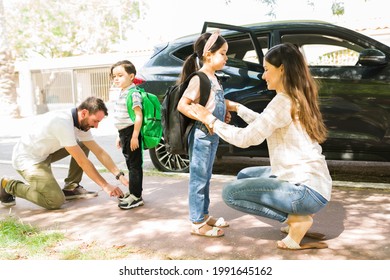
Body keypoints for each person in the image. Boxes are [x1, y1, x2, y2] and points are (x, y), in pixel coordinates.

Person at [190, 43, 332, 249]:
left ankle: (297, 219)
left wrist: (211, 120)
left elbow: (246, 138)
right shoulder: (294, 97)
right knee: (245, 175)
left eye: (266, 70)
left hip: (305, 192)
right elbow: (266, 124)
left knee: (230, 193)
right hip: (315, 185)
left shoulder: (283, 101)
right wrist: (238, 107)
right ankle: (298, 215)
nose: (263, 76)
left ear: (282, 69)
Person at [0, 97, 126, 209]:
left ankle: (71, 187)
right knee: (54, 201)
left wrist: (119, 175)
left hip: (45, 154)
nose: (96, 126)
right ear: (84, 113)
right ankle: (8, 185)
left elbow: (99, 152)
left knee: (82, 144)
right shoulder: (63, 122)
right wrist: (105, 185)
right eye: (95, 121)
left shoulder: (81, 123)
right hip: (28, 161)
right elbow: (83, 162)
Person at [177, 30, 235, 237]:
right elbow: (183, 105)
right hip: (202, 135)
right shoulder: (199, 78)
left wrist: (223, 114)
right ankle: (197, 222)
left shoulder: (215, 78)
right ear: (208, 54)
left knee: (206, 176)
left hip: (213, 134)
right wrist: (204, 118)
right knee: (198, 178)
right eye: (223, 52)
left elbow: (213, 103)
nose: (226, 57)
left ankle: (203, 214)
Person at [110, 60, 144, 210]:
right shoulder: (122, 92)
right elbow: (123, 116)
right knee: (130, 164)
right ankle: (134, 194)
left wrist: (135, 136)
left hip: (131, 132)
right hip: (125, 132)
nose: (116, 78)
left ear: (131, 76)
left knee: (134, 165)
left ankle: (136, 196)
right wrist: (119, 135)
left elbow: (138, 115)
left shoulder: (133, 93)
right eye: (114, 76)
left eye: (120, 75)